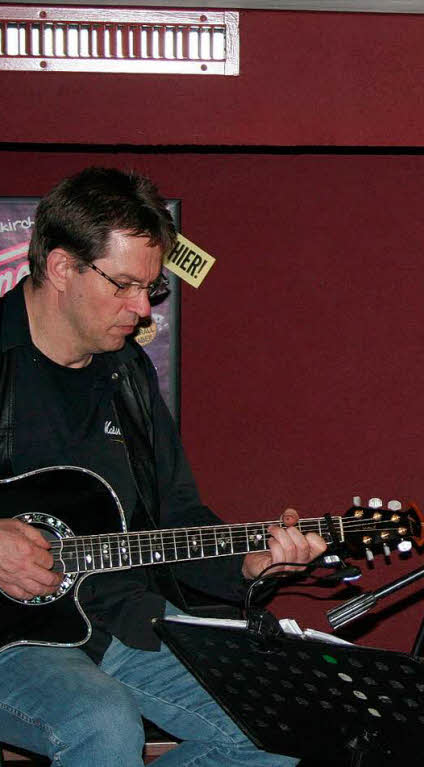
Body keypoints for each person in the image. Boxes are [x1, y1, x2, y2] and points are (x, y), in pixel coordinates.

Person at [0, 167, 327, 766]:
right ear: (62, 267)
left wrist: (248, 567)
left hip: (121, 614)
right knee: (102, 723)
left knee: (283, 723)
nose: (141, 308)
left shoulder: (128, 373)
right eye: (124, 284)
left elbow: (176, 514)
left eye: (150, 288)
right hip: (11, 640)